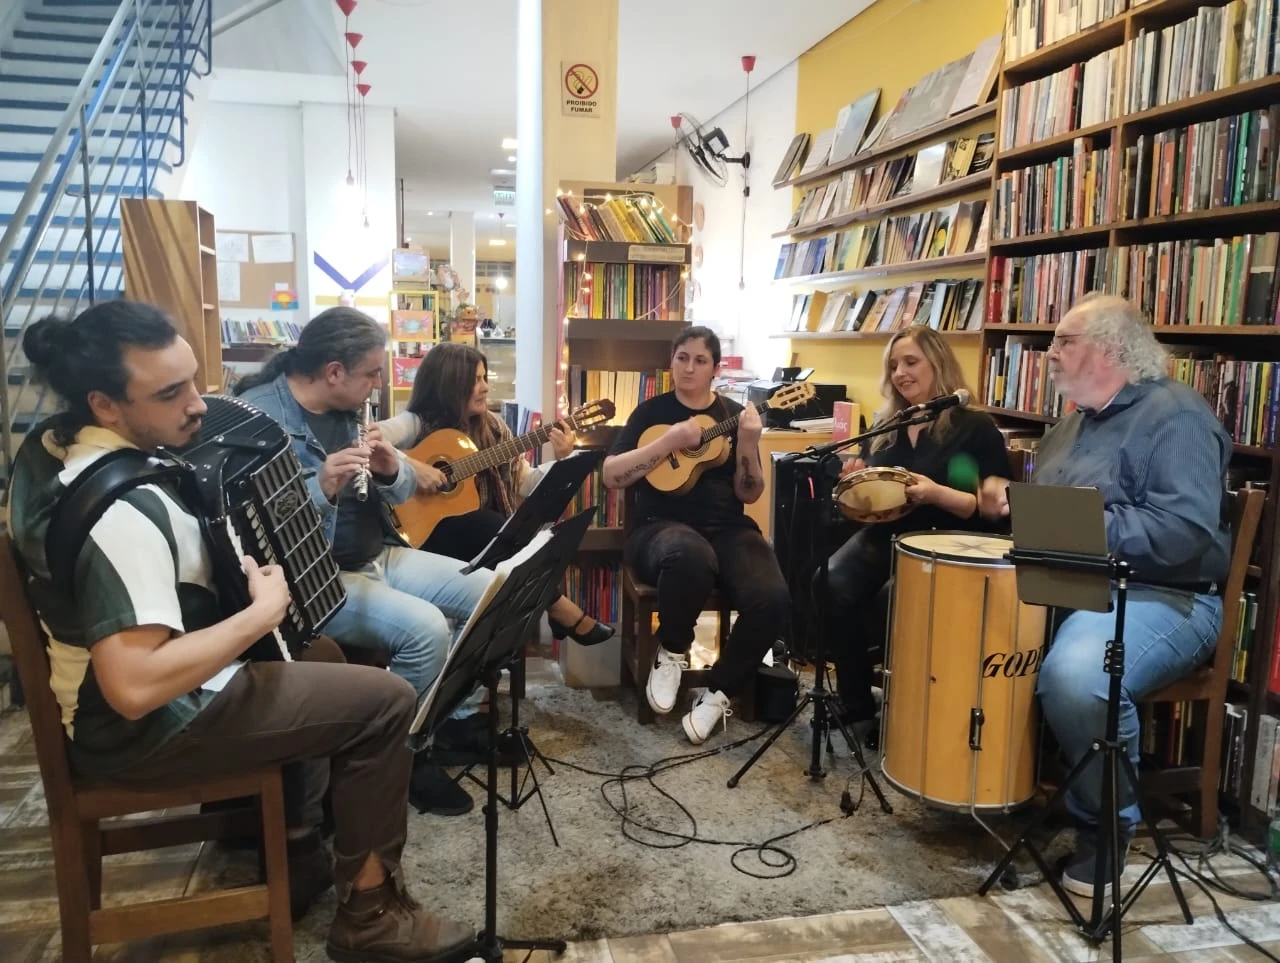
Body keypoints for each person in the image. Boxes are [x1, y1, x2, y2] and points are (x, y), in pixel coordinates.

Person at [6, 301, 474, 962]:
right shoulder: (124, 513)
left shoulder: (54, 450)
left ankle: (299, 848)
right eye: (170, 393)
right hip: (140, 730)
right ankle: (371, 915)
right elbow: (133, 686)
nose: (198, 405)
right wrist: (258, 614)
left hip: (121, 705)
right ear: (104, 405)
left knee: (320, 652)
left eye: (193, 381)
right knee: (386, 701)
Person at [978, 293, 1229, 900]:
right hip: (1070, 582)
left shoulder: (1177, 417)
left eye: (1063, 342)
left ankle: (1106, 828)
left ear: (1112, 349)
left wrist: (1066, 526)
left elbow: (1183, 532)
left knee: (1077, 676)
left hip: (1165, 595)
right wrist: (1015, 505)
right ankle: (999, 786)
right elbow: (1051, 516)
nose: (1050, 354)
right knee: (966, 623)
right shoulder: (1070, 425)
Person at [235, 308, 493, 816]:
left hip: (378, 552)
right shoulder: (260, 419)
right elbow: (250, 525)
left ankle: (440, 723)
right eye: (372, 373)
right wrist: (320, 486)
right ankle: (401, 756)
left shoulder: (349, 410)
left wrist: (393, 466)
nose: (379, 385)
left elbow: (401, 492)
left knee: (490, 590)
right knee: (426, 630)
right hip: (314, 577)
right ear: (334, 372)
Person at [602, 326, 791, 744]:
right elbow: (612, 475)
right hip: (657, 527)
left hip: (728, 528)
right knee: (690, 556)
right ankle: (672, 649)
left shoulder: (733, 415)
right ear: (671, 362)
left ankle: (719, 692)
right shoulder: (650, 412)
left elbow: (750, 492)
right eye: (682, 358)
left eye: (700, 360)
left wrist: (748, 443)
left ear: (715, 369)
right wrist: (668, 441)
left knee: (773, 597)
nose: (689, 367)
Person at [823, 327, 1010, 734]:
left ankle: (904, 714)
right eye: (893, 366)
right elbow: (877, 498)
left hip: (948, 541)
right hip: (888, 535)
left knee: (895, 598)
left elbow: (990, 509)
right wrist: (858, 482)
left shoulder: (974, 427)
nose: (900, 373)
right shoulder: (889, 424)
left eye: (910, 362)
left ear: (938, 363)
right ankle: (855, 702)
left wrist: (935, 493)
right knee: (832, 581)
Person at [378, 341, 614, 646]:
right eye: (475, 380)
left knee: (506, 533)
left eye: (484, 378)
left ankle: (527, 624)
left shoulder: (494, 429)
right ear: (450, 384)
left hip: (479, 541)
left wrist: (562, 459)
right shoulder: (415, 423)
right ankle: (559, 608)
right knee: (491, 528)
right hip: (417, 537)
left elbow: (525, 483)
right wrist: (414, 468)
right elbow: (369, 439)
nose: (485, 387)